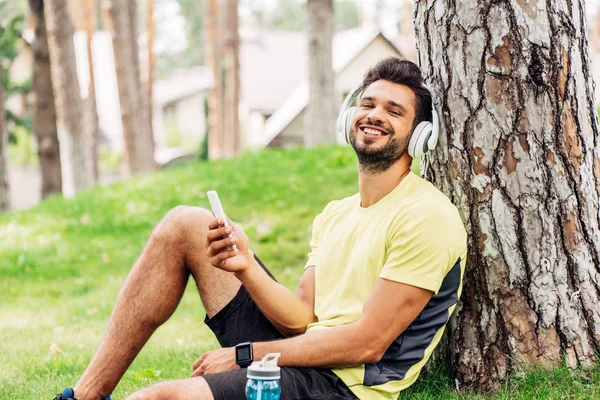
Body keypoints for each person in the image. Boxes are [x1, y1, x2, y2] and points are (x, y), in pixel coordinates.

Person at [53, 57, 467, 400]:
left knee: (160, 398)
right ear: (349, 118)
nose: (375, 115)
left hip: (344, 386)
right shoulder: (337, 214)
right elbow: (301, 319)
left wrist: (246, 356)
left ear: (420, 136)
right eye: (368, 104)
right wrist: (245, 264)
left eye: (394, 111)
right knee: (185, 223)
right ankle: (85, 396)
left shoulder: (426, 216)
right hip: (306, 354)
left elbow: (367, 343)